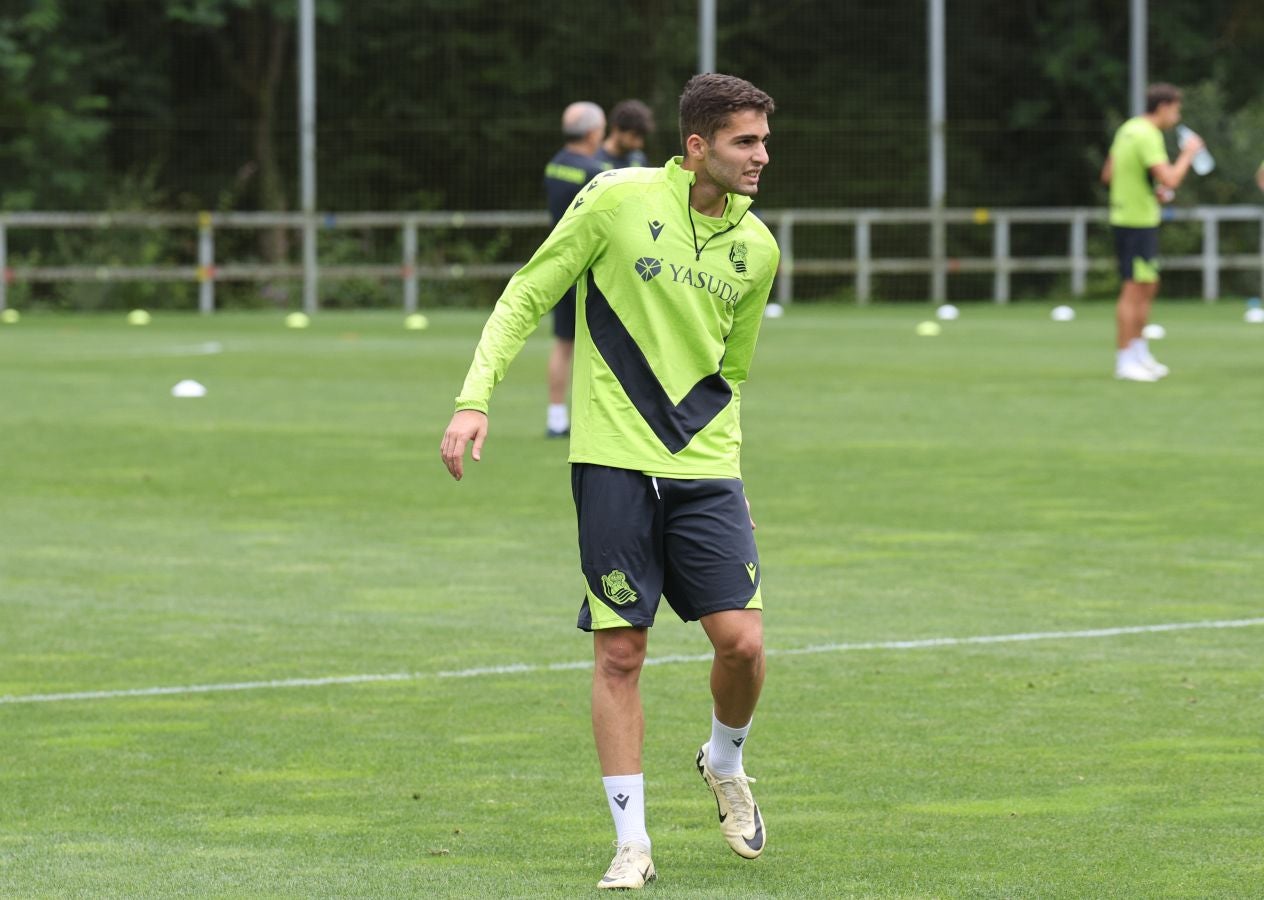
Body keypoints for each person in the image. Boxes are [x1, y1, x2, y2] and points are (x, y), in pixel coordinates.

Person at [441, 73, 778, 891]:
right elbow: (528, 292)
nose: (761, 156)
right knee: (621, 651)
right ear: (697, 146)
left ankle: (723, 761)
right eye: (745, 141)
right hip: (613, 462)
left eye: (764, 141)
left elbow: (730, 372)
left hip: (705, 468)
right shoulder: (614, 199)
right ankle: (632, 843)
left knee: (743, 645)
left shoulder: (758, 248)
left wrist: (723, 466)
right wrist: (474, 398)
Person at [1100, 83, 1204, 382]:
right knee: (1133, 290)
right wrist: (1188, 153)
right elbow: (1171, 179)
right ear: (1163, 107)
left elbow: (1108, 174)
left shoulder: (1127, 129)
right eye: (1176, 109)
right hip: (1135, 221)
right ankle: (1124, 361)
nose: (1177, 115)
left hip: (1133, 216)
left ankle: (1138, 353)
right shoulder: (1148, 135)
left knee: (1148, 286)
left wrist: (1148, 190)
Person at [544, 101, 609, 437]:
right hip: (588, 269)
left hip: (560, 265)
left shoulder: (554, 165)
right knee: (600, 346)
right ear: (594, 132)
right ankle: (596, 421)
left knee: (563, 343)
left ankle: (555, 418)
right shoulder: (594, 172)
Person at [595, 99, 655, 170]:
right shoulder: (593, 158)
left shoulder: (639, 158)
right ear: (616, 129)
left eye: (641, 137)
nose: (639, 143)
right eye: (634, 135)